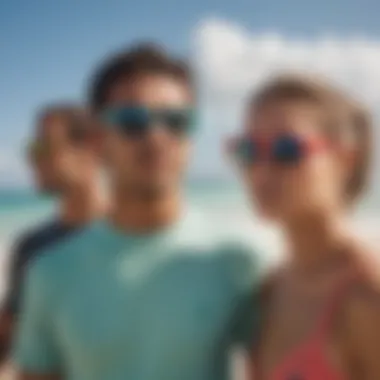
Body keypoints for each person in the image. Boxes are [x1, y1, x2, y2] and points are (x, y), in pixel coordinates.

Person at [12, 44, 265, 380]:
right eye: (133, 122)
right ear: (99, 140)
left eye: (176, 121)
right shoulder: (50, 271)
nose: (156, 137)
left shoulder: (237, 260)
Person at [229, 75, 380, 379]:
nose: (262, 168)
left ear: (346, 160)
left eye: (287, 150)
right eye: (249, 150)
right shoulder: (271, 288)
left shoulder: (366, 295)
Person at [0, 105, 105, 373]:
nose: (32, 159)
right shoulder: (32, 246)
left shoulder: (133, 241)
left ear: (90, 150)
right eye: (31, 149)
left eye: (42, 148)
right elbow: (8, 336)